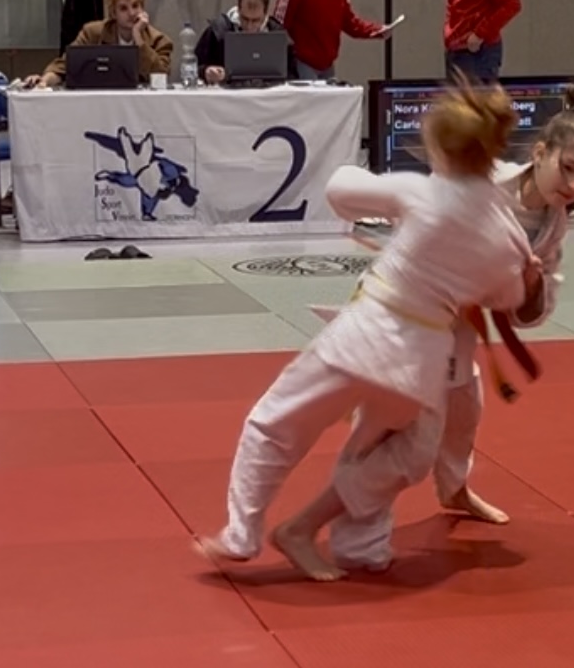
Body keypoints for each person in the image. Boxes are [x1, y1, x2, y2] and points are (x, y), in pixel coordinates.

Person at [198, 82, 536, 581]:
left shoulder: (423, 192)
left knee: (276, 424)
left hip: (363, 336)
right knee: (379, 450)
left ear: (440, 149)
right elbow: (509, 298)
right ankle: (362, 548)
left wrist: (380, 187)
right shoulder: (505, 231)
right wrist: (527, 274)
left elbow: (339, 190)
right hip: (420, 365)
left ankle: (242, 533)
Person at [319, 85, 574, 573]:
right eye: (567, 167)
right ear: (540, 152)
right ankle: (358, 533)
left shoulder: (553, 225)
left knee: (463, 408)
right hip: (404, 307)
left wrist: (529, 285)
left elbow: (530, 313)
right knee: (393, 426)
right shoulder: (483, 179)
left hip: (454, 321)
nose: (573, 185)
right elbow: (426, 207)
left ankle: (453, 487)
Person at [24, 0, 173, 88]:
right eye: (123, 8)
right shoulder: (93, 33)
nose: (132, 13)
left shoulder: (159, 40)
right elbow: (65, 65)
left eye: (135, 6)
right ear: (113, 13)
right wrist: (44, 81)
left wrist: (139, 40)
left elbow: (161, 76)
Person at [196, 0, 296, 85]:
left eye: (255, 20)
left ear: (265, 13)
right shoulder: (218, 31)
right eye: (244, 19)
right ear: (238, 10)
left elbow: (292, 75)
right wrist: (206, 71)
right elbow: (194, 66)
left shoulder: (279, 36)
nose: (249, 26)